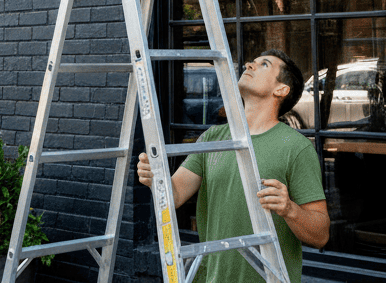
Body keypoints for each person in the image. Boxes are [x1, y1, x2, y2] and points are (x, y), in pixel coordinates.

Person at [137, 50, 329, 283]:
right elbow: (174, 195)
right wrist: (155, 178)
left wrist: (290, 209)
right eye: (253, 61)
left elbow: (320, 235)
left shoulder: (296, 147)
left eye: (264, 64)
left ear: (281, 90)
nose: (249, 64)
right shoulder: (213, 137)